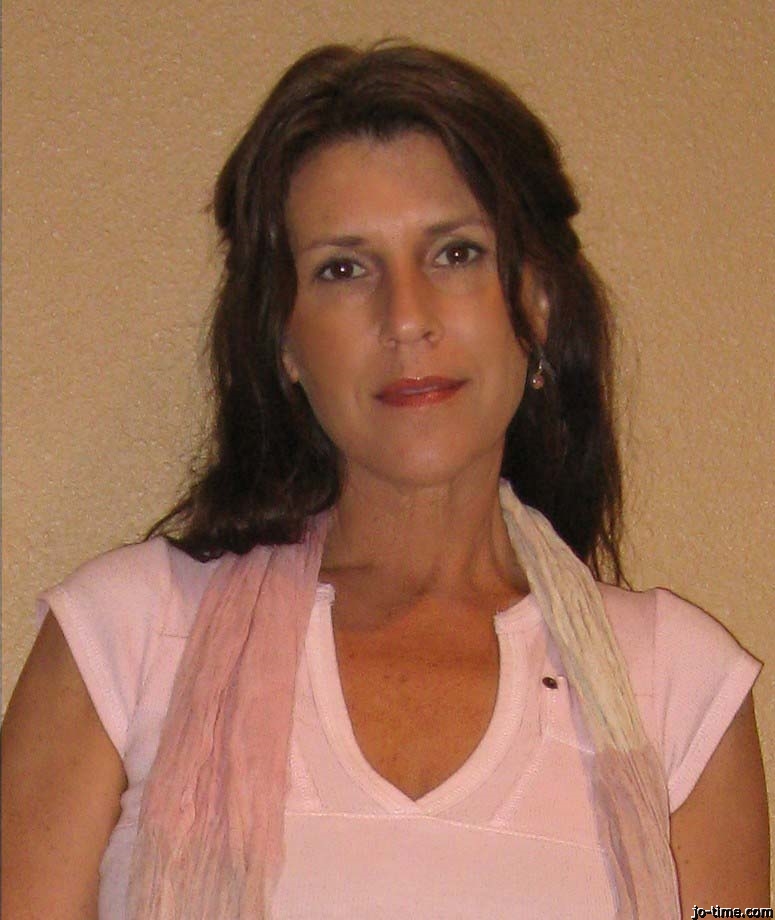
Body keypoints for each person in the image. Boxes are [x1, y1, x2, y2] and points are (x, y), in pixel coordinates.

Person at [1, 42, 769, 920]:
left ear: (536, 302)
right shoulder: (124, 641)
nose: (406, 317)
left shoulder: (683, 688)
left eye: (455, 254)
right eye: (342, 268)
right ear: (284, 343)